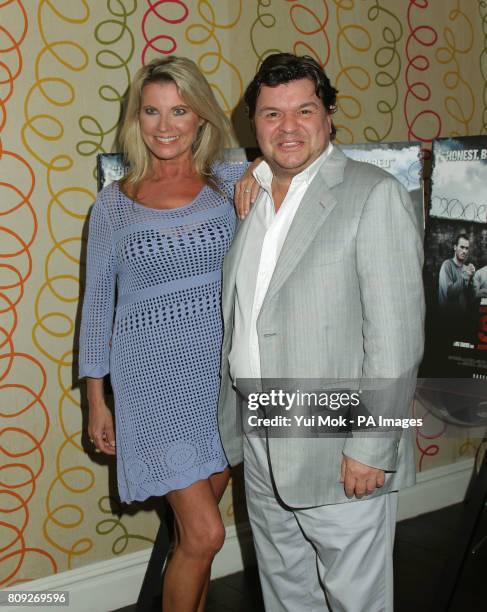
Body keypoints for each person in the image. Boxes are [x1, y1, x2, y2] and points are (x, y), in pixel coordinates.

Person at [218, 53, 425, 611]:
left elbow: (397, 337)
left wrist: (372, 446)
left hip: (340, 440)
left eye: (304, 110)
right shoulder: (254, 196)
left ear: (329, 115)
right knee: (285, 589)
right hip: (261, 431)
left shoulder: (373, 194)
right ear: (252, 124)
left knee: (356, 596)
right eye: (270, 115)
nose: (287, 128)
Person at [79, 56, 250, 612]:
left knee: (190, 543)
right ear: (136, 119)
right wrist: (96, 401)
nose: (165, 124)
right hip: (152, 386)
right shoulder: (114, 204)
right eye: (151, 111)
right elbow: (97, 307)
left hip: (220, 383)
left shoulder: (232, 184)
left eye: (179, 109)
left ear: (201, 117)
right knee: (206, 535)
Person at [438, 233, 475, 316]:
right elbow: (449, 293)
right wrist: (466, 276)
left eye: (466, 248)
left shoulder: (466, 269)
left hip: (462, 319)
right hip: (447, 319)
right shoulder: (447, 265)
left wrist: (471, 279)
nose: (464, 251)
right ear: (455, 247)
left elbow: (470, 297)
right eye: (462, 247)